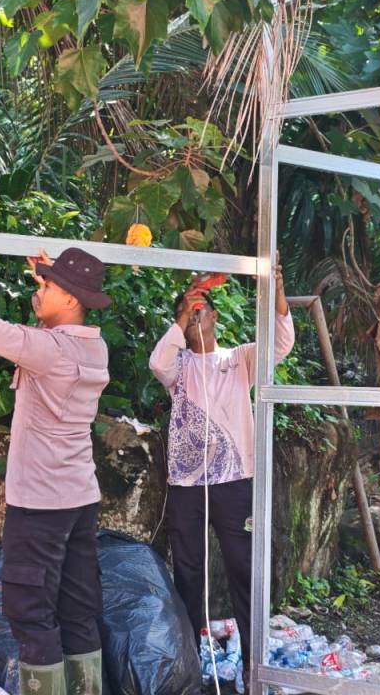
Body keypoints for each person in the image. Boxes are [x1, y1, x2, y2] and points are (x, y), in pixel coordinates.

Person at [0, 223, 111, 695]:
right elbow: (52, 326)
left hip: (40, 505)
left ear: (70, 299)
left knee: (31, 613)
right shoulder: (93, 347)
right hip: (78, 499)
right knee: (77, 610)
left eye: (49, 288)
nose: (40, 293)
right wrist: (46, 283)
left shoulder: (50, 350)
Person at [148, 259, 295, 673]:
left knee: (244, 569)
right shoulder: (178, 366)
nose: (197, 316)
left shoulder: (239, 359)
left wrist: (278, 290)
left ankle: (252, 667)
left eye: (202, 310)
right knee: (188, 572)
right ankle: (190, 668)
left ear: (215, 316)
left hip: (235, 483)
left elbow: (281, 344)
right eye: (189, 312)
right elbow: (157, 363)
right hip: (186, 485)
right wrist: (182, 316)